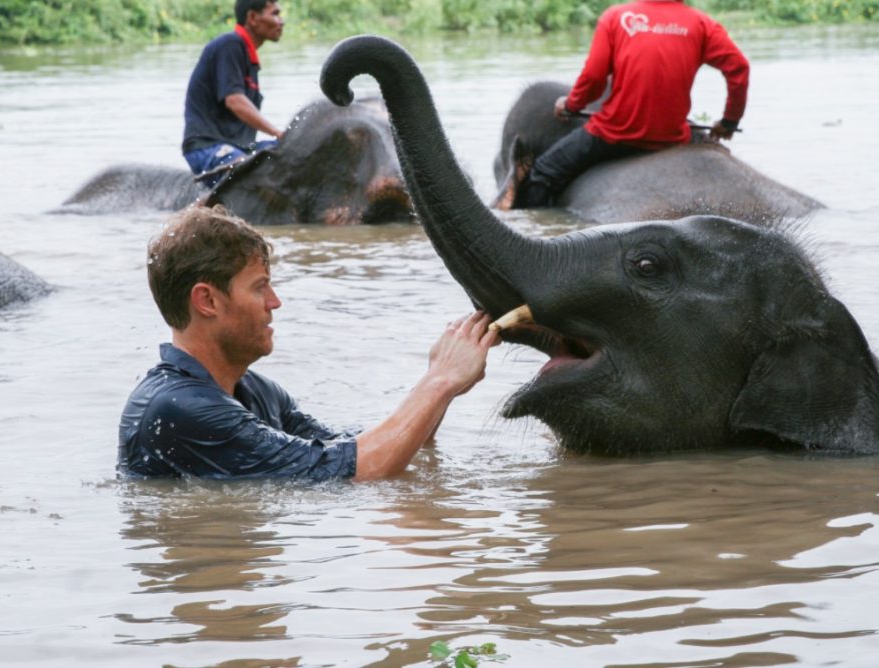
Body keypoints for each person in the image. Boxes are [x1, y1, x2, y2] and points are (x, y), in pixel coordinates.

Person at [119, 206, 500, 481]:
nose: (275, 302)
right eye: (259, 287)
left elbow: (352, 447)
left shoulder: (255, 391)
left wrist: (442, 384)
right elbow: (359, 471)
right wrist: (439, 382)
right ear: (207, 301)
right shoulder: (179, 408)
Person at [520, 0, 750, 207]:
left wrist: (570, 105)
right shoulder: (702, 24)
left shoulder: (616, 17)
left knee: (543, 173)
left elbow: (593, 78)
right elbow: (739, 68)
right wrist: (729, 121)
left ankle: (542, 237)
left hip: (613, 133)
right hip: (671, 136)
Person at [181, 0, 286, 186]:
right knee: (247, 172)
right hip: (208, 147)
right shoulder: (230, 45)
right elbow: (234, 101)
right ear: (253, 17)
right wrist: (276, 132)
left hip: (241, 148)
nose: (281, 21)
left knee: (292, 151)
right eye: (275, 14)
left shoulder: (249, 60)